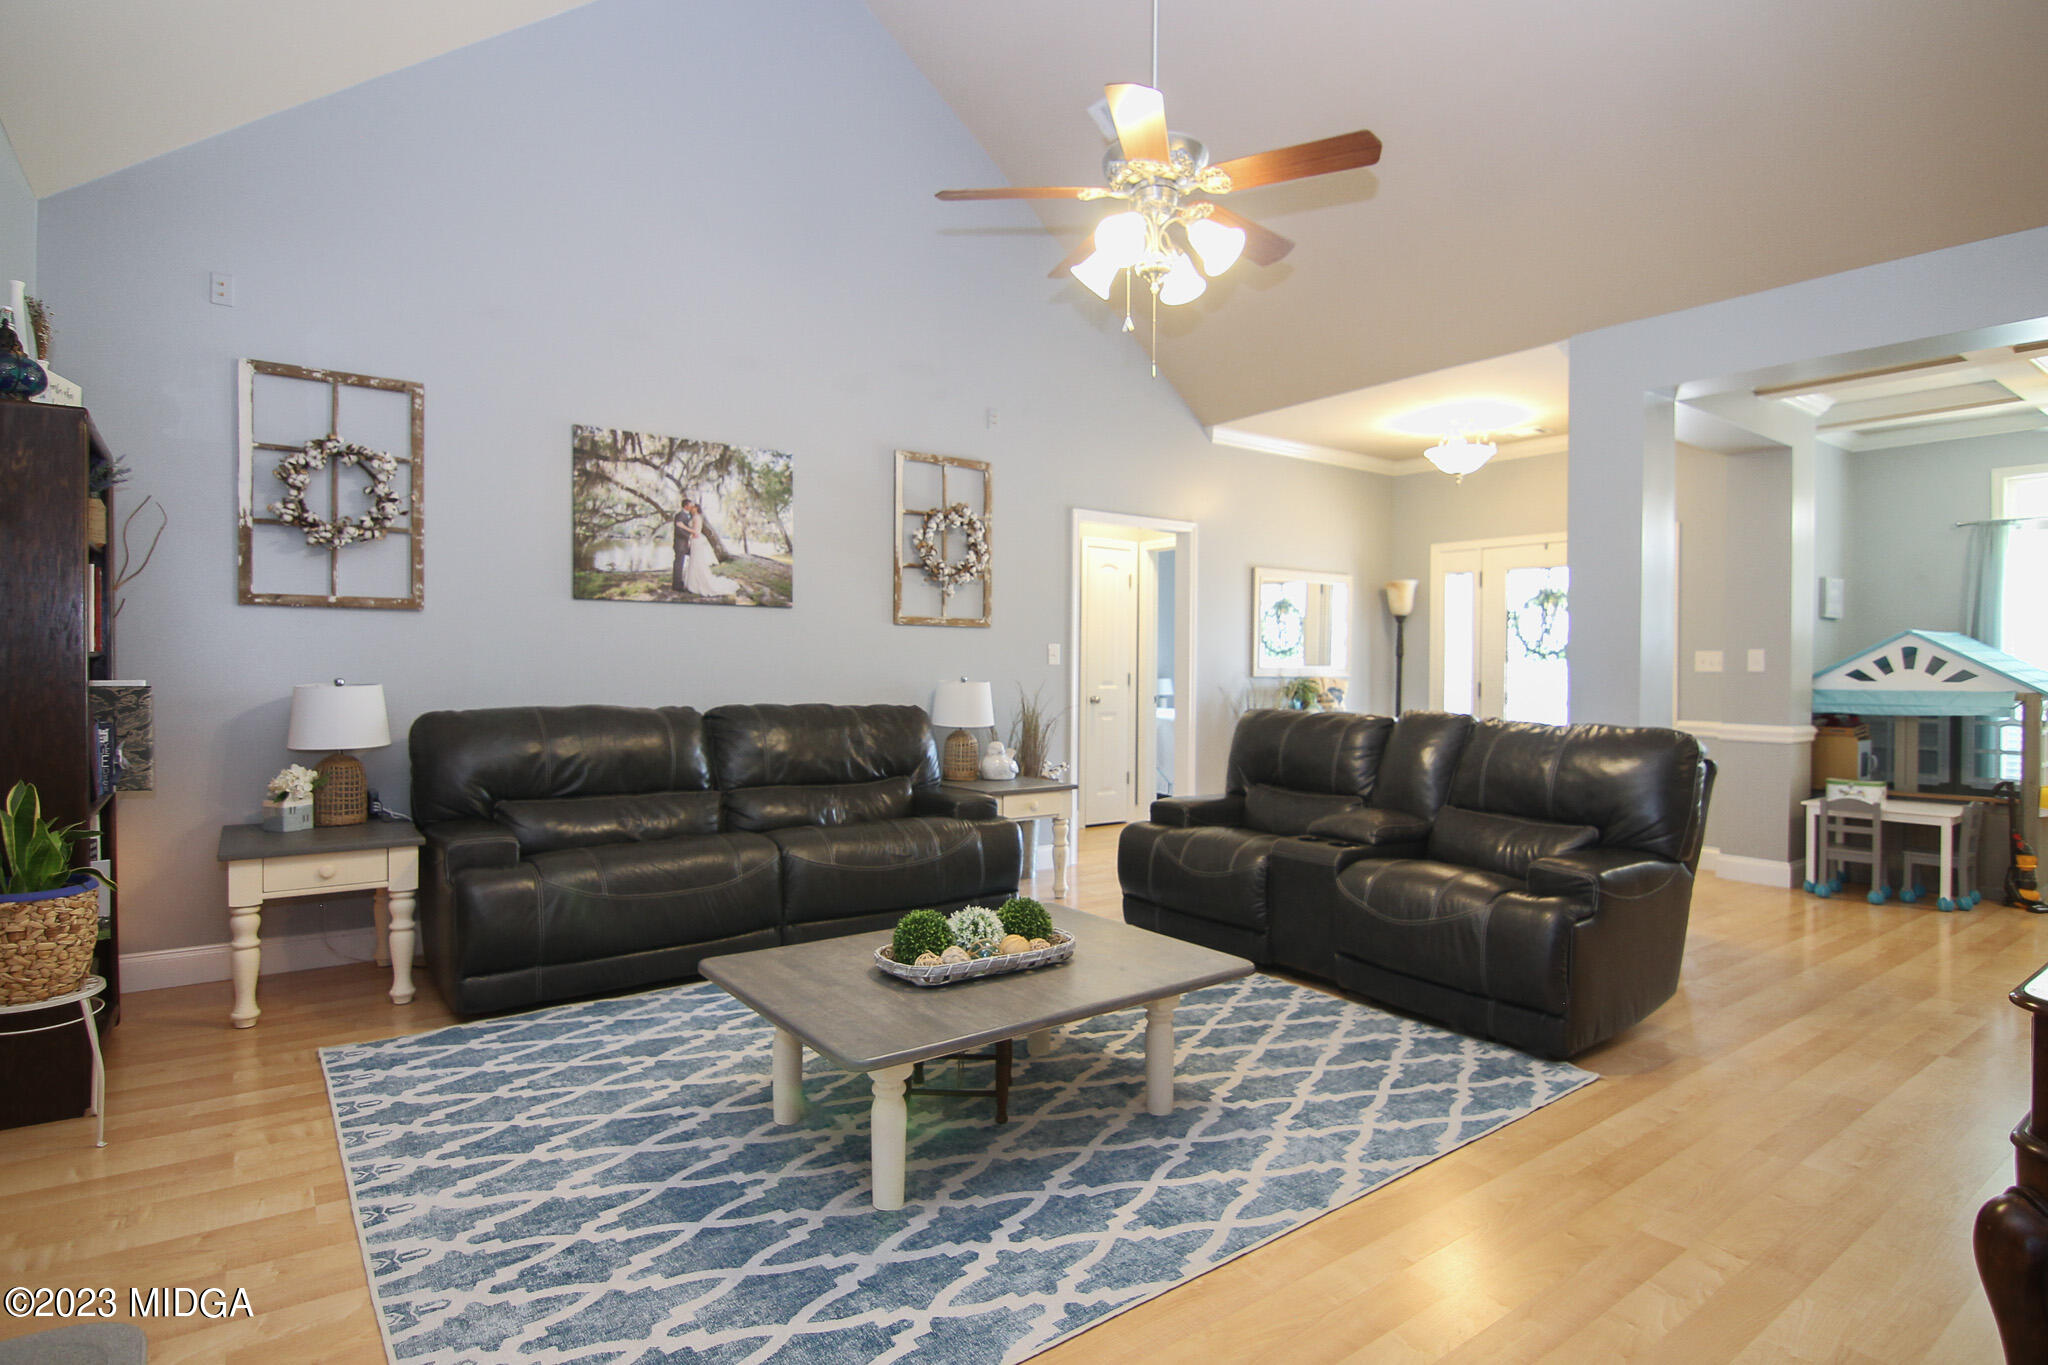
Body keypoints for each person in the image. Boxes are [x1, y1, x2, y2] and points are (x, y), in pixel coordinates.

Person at [678, 500, 740, 598]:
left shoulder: (697, 517)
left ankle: (697, 584)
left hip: (697, 541)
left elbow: (696, 532)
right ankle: (692, 583)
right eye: (691, 506)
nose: (691, 508)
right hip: (694, 542)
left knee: (697, 562)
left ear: (697, 508)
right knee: (694, 561)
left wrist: (683, 527)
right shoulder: (694, 517)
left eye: (693, 507)